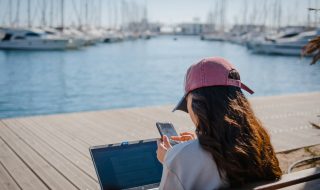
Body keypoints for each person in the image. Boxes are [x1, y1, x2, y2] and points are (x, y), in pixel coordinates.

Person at [156, 57, 282, 189]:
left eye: (187, 101)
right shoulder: (260, 145)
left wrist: (170, 160)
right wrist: (195, 147)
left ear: (196, 104)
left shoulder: (179, 157)